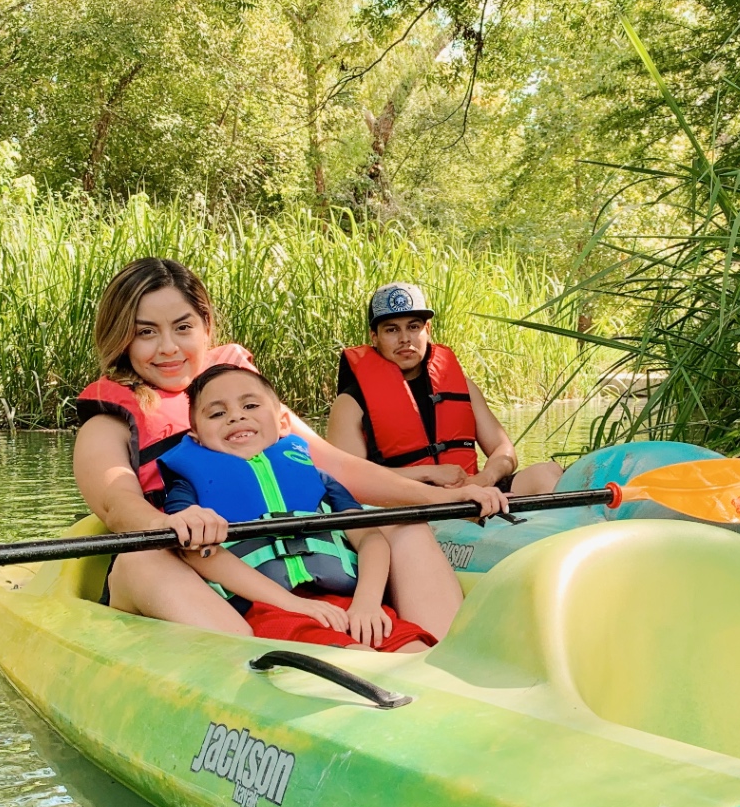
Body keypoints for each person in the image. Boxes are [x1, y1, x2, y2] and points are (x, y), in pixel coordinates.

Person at [71, 258, 504, 639]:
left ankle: (444, 662)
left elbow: (334, 465)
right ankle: (255, 683)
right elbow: (116, 504)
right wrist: (177, 523)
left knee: (406, 525)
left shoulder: (247, 401)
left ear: (205, 326)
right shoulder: (109, 422)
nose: (168, 347)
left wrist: (443, 500)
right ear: (123, 339)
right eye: (146, 332)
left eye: (182, 327)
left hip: (290, 554)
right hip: (189, 565)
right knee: (142, 556)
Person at [158, 363, 433, 653]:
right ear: (196, 437)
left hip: (346, 603)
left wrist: (367, 601)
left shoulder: (318, 479)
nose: (236, 416)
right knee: (359, 658)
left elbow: (370, 539)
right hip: (270, 613)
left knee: (414, 651)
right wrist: (294, 604)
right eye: (217, 413)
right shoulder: (187, 491)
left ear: (283, 423)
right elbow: (200, 555)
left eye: (250, 405)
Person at [327, 282, 563, 496]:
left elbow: (504, 449)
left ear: (427, 331)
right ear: (374, 337)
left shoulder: (463, 387)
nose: (404, 338)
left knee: (546, 473)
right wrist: (427, 473)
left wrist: (485, 478)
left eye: (413, 327)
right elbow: (350, 478)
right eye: (391, 330)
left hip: (472, 492)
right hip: (410, 502)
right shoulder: (351, 402)